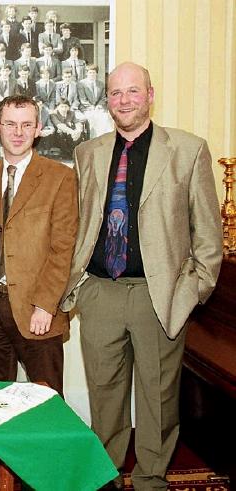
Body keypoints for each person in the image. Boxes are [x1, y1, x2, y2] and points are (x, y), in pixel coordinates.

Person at [61, 62, 223, 490]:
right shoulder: (88, 153)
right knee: (105, 395)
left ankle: (151, 479)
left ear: (151, 95)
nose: (124, 100)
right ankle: (107, 477)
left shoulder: (188, 150)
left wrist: (193, 290)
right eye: (116, 93)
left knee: (159, 397)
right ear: (107, 100)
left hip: (159, 295)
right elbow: (80, 224)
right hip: (100, 292)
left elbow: (208, 232)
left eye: (133, 91)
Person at [0, 95, 78, 394]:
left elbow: (63, 248)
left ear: (39, 129)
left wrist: (46, 305)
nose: (18, 132)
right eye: (10, 124)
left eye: (26, 125)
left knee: (46, 404)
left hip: (39, 310)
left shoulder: (61, 177)